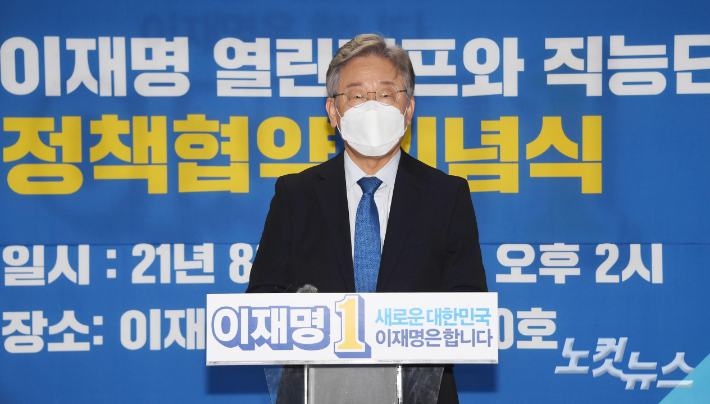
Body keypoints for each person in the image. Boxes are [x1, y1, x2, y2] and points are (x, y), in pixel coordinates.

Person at [247, 33, 488, 404]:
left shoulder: (446, 195)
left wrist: (396, 328)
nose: (372, 106)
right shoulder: (295, 195)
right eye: (357, 95)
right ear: (333, 111)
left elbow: (469, 307)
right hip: (317, 391)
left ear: (408, 109)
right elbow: (262, 301)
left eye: (387, 94)